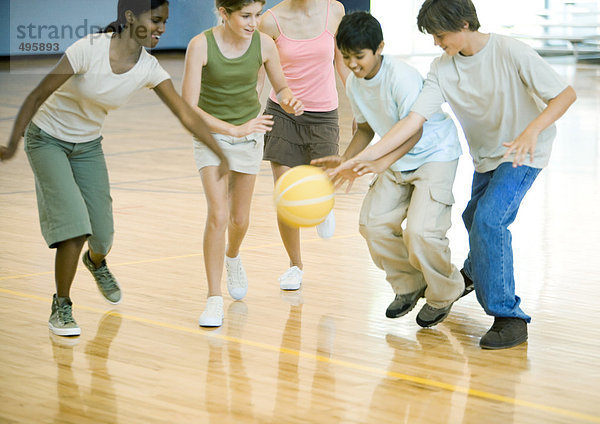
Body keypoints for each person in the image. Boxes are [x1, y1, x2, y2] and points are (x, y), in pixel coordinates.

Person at [330, 0, 576, 349]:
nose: (435, 42)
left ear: (464, 24)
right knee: (474, 217)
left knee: (489, 222)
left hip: (524, 152)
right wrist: (361, 159)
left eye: (440, 34)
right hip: (487, 156)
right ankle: (475, 270)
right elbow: (413, 121)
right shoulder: (441, 69)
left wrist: (531, 131)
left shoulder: (509, 51)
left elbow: (564, 94)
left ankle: (508, 316)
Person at [0, 0, 229, 337]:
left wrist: (218, 151)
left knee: (102, 235)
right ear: (130, 16)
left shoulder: (148, 68)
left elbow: (184, 112)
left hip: (88, 145)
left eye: (166, 22)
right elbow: (37, 95)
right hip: (47, 139)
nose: (162, 29)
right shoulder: (87, 50)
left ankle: (96, 261)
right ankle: (61, 305)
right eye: (156, 20)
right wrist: (12, 143)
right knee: (76, 227)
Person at [313, 11, 472, 328]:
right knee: (372, 224)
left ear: (380, 47)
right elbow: (364, 129)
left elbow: (414, 131)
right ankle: (410, 285)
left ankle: (446, 292)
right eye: (346, 58)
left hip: (434, 153)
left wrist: (374, 160)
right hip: (394, 155)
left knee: (422, 232)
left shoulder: (400, 77)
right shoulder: (355, 85)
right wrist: (346, 163)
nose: (353, 65)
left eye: (359, 57)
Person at [181, 0, 303, 327]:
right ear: (224, 12)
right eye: (245, 16)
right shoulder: (200, 46)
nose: (253, 22)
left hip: (249, 136)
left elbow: (281, 86)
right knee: (218, 214)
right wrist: (232, 129)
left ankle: (232, 255)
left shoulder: (263, 43)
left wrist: (290, 99)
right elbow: (188, 108)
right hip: (212, 136)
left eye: (257, 15)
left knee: (239, 219)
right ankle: (213, 298)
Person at [258, 0, 347, 291]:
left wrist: (360, 104)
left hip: (324, 115)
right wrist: (246, 117)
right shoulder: (270, 21)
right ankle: (295, 265)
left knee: (323, 181)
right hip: (283, 112)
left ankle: (323, 207)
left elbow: (341, 61)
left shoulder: (334, 10)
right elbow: (259, 73)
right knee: (285, 192)